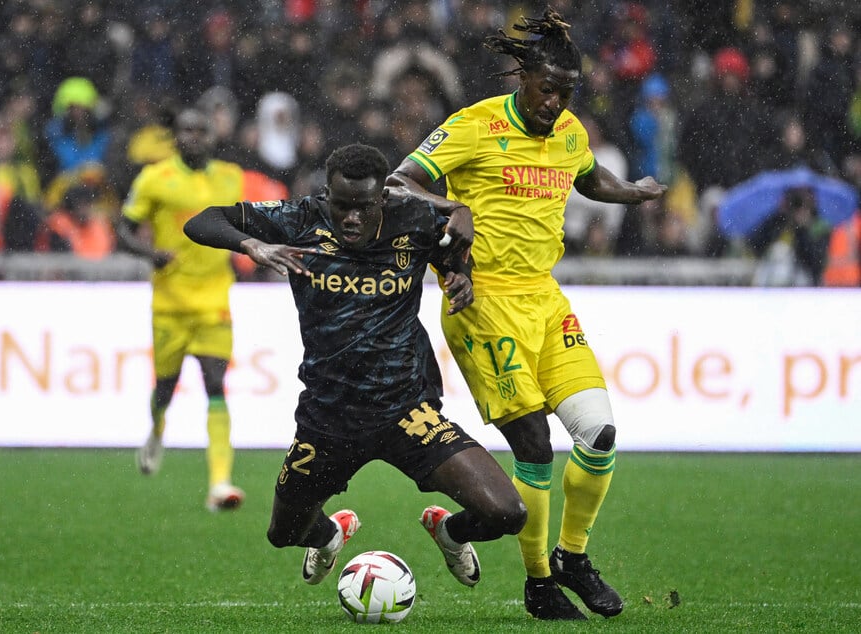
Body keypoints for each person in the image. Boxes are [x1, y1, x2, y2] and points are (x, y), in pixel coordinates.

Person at [387, 9, 667, 621]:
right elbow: (397, 183)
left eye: (567, 93)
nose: (556, 103)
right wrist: (450, 205)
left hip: (544, 297)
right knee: (535, 444)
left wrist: (631, 192)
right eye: (547, 90)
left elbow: (589, 179)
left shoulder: (568, 131)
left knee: (599, 434)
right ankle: (539, 585)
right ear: (524, 80)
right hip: (481, 301)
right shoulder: (474, 125)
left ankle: (572, 558)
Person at [183, 143, 526, 592]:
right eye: (340, 205)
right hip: (328, 419)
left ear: (383, 197)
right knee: (283, 534)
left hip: (406, 411)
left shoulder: (416, 220)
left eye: (362, 208)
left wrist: (459, 275)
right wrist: (252, 245)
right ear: (326, 194)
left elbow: (452, 253)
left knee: (508, 513)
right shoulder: (301, 218)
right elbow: (201, 220)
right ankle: (329, 535)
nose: (350, 219)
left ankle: (450, 532)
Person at [115, 107, 246, 512]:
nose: (192, 135)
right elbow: (122, 228)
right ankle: (156, 430)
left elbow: (241, 225)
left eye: (199, 129)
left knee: (215, 384)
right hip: (170, 304)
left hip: (214, 300)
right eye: (185, 129)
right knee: (166, 388)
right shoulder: (155, 178)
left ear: (212, 135)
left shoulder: (230, 177)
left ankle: (220, 483)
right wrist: (149, 253)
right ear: (176, 137)